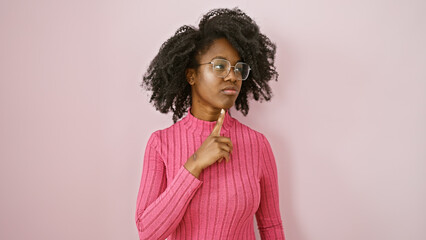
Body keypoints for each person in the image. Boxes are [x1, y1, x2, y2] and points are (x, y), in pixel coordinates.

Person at [135, 7, 285, 240]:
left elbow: (271, 228)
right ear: (191, 75)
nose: (232, 76)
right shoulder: (160, 143)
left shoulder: (258, 144)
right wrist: (195, 164)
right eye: (219, 66)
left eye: (238, 68)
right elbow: (147, 232)